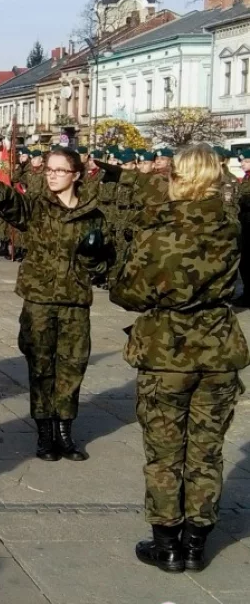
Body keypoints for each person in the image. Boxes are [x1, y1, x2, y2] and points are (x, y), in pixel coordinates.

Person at [110, 144, 249, 573]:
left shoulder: (158, 231)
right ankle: (195, 544)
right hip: (218, 350)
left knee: (165, 452)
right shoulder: (230, 227)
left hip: (167, 352)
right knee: (207, 451)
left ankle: (167, 544)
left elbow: (129, 293)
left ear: (177, 178)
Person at [0, 149, 110, 462]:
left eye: (60, 170)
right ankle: (45, 433)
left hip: (74, 300)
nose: (52, 175)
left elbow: (105, 262)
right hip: (40, 299)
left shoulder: (94, 214)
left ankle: (65, 432)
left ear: (76, 175)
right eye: (49, 169)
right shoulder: (37, 206)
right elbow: (10, 202)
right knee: (41, 366)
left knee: (73, 366)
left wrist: (95, 259)